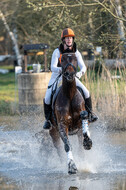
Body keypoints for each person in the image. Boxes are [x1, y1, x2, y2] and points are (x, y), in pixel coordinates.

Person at [43, 28, 98, 129]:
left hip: (72, 77)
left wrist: (78, 75)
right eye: (67, 38)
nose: (69, 40)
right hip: (58, 77)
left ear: (73, 39)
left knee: (86, 92)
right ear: (63, 40)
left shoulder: (76, 52)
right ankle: (48, 121)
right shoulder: (57, 51)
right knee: (47, 98)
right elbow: (52, 67)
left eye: (71, 38)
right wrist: (62, 70)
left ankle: (90, 114)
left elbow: (83, 67)